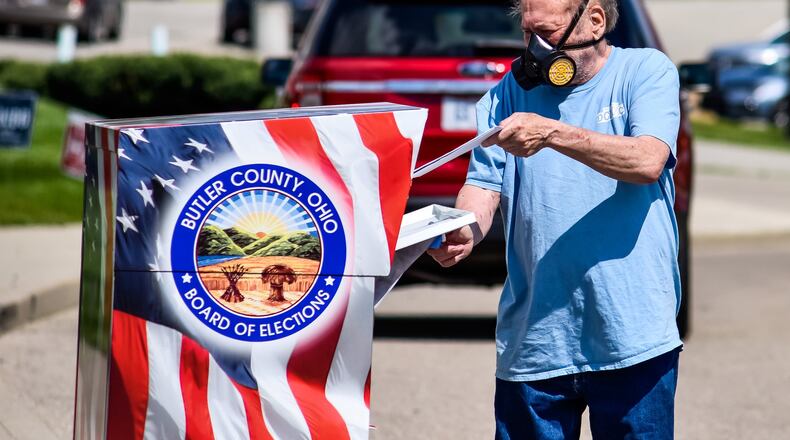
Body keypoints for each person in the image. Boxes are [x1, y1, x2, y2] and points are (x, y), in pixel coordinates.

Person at [427, 0, 683, 438]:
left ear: (595, 21)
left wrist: (553, 133)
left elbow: (647, 161)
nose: (534, 48)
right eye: (527, 34)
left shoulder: (645, 71)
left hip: (633, 337)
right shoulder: (507, 92)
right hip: (535, 343)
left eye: (546, 32)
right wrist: (461, 230)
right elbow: (484, 187)